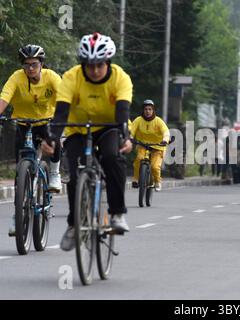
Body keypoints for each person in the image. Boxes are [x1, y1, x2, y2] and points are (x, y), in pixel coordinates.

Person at [42, 32, 133, 251]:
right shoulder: (71, 77)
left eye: (99, 65)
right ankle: (74, 225)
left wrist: (126, 137)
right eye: (89, 65)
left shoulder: (120, 78)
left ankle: (117, 214)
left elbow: (122, 112)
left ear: (107, 62)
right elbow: (61, 113)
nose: (94, 70)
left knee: (112, 157)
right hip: (78, 128)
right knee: (75, 175)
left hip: (110, 126)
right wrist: (53, 138)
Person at [0, 44, 62, 237]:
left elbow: (64, 100)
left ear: (41, 64)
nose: (30, 69)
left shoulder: (52, 77)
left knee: (54, 143)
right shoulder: (17, 77)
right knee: (21, 169)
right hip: (23, 122)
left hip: (46, 121)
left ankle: (54, 172)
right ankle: (18, 215)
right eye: (26, 65)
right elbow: (4, 98)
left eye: (34, 64)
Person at [130, 99, 170, 192]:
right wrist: (131, 137)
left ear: (153, 110)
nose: (147, 111)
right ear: (143, 110)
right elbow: (131, 131)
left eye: (150, 109)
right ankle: (135, 179)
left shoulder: (158, 121)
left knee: (155, 166)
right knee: (139, 159)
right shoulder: (138, 120)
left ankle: (157, 182)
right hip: (142, 145)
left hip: (158, 146)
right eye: (146, 109)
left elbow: (166, 132)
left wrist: (165, 140)